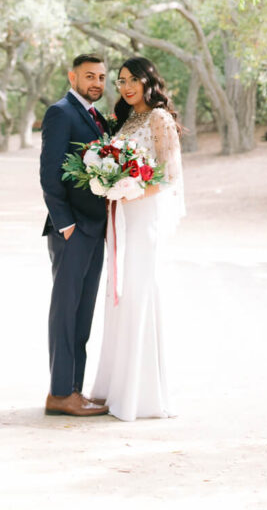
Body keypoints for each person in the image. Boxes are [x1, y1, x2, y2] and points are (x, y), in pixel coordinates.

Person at [91, 55, 185, 421]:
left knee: (140, 291)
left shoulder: (159, 118)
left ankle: (142, 395)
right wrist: (110, 183)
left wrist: (130, 189)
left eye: (132, 79)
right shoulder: (125, 120)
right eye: (121, 81)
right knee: (121, 292)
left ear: (148, 80)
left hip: (144, 217)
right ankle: (117, 387)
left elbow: (170, 175)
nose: (126, 87)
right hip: (122, 218)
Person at [40, 53, 110, 417]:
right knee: (65, 313)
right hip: (72, 231)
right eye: (89, 76)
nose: (96, 82)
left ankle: (74, 391)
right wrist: (66, 225)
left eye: (101, 77)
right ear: (72, 76)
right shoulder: (61, 112)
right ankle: (59, 391)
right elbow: (50, 175)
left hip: (94, 230)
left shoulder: (98, 118)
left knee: (82, 315)